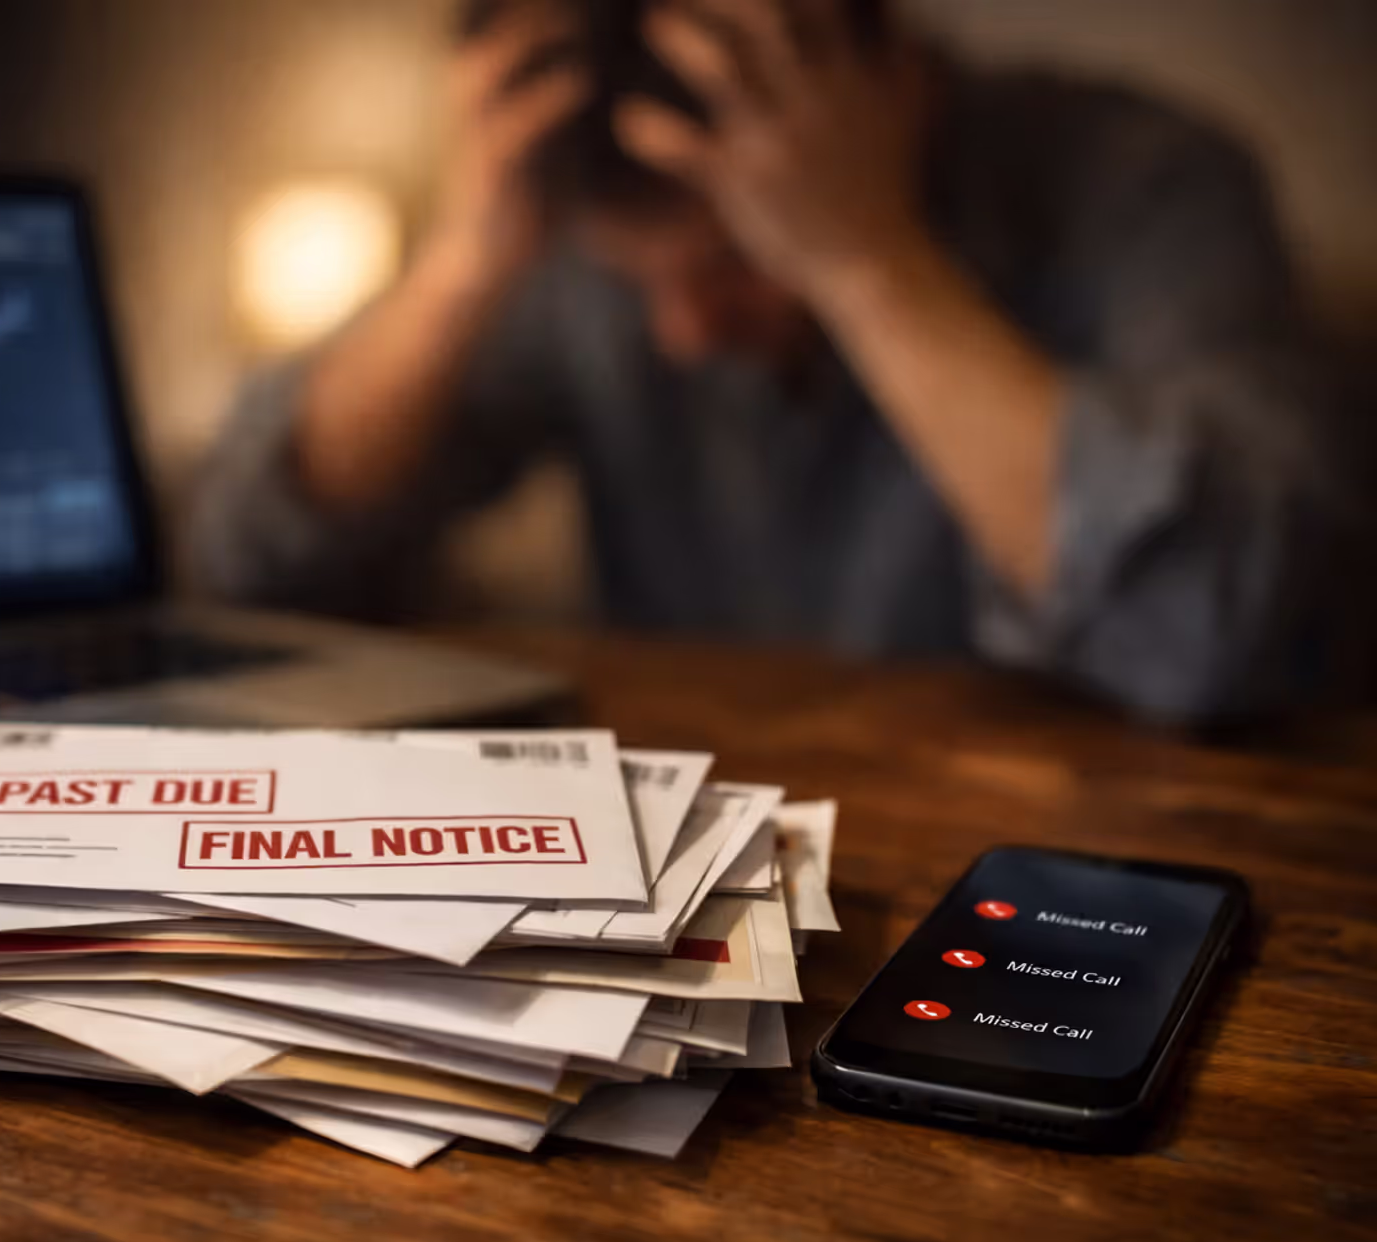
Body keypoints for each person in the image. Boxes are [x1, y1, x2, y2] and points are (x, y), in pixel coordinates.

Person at [190, 0, 1345, 724]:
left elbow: (1225, 628)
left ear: (890, 88)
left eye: (744, 257)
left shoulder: (1147, 183)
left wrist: (864, 258)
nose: (685, 333)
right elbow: (254, 559)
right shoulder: (571, 232)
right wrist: (461, 260)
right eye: (642, 278)